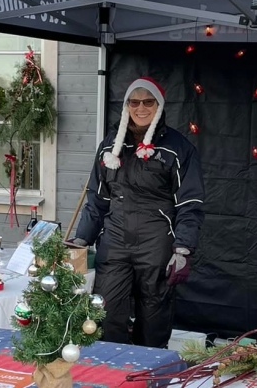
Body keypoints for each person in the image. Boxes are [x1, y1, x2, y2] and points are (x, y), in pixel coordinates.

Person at [71, 77, 205, 348]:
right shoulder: (110, 145)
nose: (140, 108)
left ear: (159, 105)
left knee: (154, 316)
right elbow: (97, 198)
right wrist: (81, 239)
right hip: (115, 241)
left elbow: (190, 202)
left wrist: (183, 249)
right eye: (134, 102)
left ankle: (149, 367)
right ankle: (112, 367)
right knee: (105, 310)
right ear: (126, 106)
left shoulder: (177, 148)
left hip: (156, 242)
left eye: (147, 102)